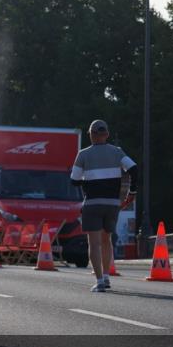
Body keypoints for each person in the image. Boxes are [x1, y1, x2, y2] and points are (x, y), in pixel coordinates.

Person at [70, 119, 138, 292]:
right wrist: (132, 192)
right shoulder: (117, 152)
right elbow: (134, 170)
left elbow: (74, 181)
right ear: (106, 134)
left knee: (94, 243)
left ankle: (99, 281)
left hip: (92, 203)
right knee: (106, 240)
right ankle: (107, 277)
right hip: (112, 204)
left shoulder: (83, 154)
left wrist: (88, 180)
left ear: (91, 135)